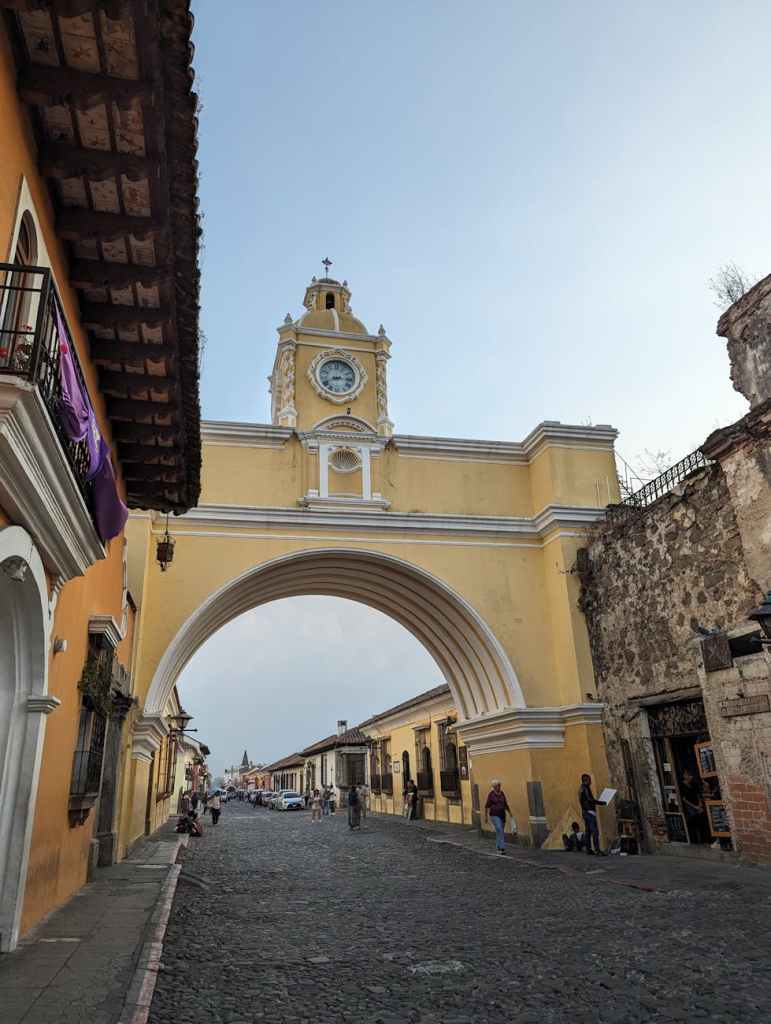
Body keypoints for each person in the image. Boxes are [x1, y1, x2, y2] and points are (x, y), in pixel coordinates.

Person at [579, 773, 605, 855]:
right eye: (589, 780)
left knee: (588, 832)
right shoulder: (585, 788)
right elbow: (590, 799)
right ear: (586, 780)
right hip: (589, 812)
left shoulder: (581, 788)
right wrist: (601, 802)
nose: (591, 782)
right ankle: (597, 850)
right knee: (595, 831)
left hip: (585, 812)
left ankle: (589, 849)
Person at [680, 769, 708, 843]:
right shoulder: (682, 785)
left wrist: (700, 804)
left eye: (691, 776)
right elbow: (684, 800)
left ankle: (704, 839)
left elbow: (698, 794)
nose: (690, 777)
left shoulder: (694, 784)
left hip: (697, 804)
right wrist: (695, 807)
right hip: (689, 805)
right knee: (693, 816)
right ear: (684, 776)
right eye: (688, 775)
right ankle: (692, 838)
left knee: (702, 816)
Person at [484, 779, 511, 854]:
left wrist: (510, 813)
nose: (499, 787)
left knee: (500, 832)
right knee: (499, 829)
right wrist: (485, 817)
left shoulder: (502, 793)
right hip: (494, 815)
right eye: (497, 786)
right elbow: (487, 806)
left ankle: (498, 847)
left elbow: (505, 804)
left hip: (502, 815)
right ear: (494, 786)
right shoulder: (491, 794)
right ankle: (502, 848)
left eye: (499, 785)